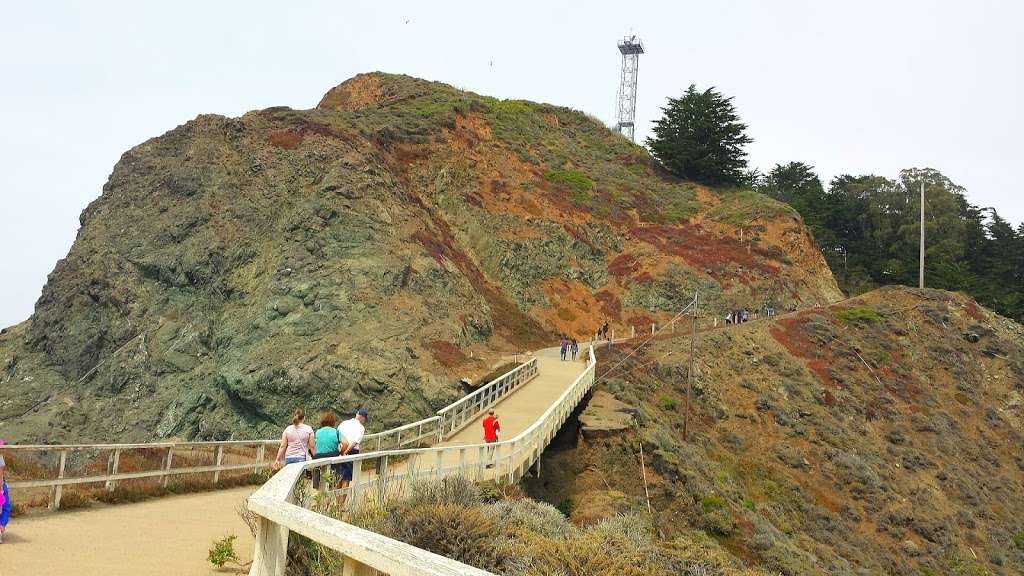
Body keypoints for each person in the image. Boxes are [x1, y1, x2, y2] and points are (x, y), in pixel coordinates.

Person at [337, 408, 368, 504]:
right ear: (362, 417)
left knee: (339, 477)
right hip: (350, 451)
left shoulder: (344, 423)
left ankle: (337, 502)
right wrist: (346, 452)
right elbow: (354, 443)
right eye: (365, 419)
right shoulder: (361, 428)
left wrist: (341, 452)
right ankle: (340, 505)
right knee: (346, 478)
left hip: (339, 449)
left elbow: (337, 436)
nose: (365, 421)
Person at [312, 411, 341, 489]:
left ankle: (320, 500)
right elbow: (345, 443)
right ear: (333, 421)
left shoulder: (318, 432)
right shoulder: (336, 432)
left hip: (319, 460)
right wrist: (342, 451)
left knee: (319, 486)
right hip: (332, 460)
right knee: (331, 486)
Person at [0, 440, 9, 543]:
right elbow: (0, 476)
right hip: (1, 487)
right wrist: (1, 489)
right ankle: (1, 527)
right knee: (4, 508)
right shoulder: (0, 458)